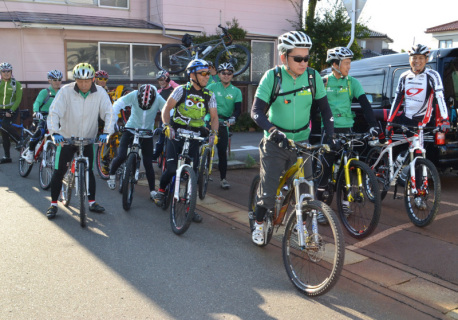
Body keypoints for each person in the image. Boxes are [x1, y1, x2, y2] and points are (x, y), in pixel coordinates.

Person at [250, 31, 335, 245]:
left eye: (306, 58)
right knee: (268, 192)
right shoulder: (273, 77)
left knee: (306, 192)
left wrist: (330, 136)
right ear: (283, 57)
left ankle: (300, 226)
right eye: (298, 58)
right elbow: (256, 111)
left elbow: (325, 110)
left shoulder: (312, 77)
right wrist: (272, 131)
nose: (303, 62)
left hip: (302, 143)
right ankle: (259, 223)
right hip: (276, 142)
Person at [45, 63, 115, 219]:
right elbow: (54, 113)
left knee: (89, 171)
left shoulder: (100, 92)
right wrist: (55, 133)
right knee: (59, 171)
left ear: (92, 79)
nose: (83, 84)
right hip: (66, 138)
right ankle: (54, 204)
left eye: (87, 81)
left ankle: (91, 202)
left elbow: (109, 113)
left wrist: (107, 132)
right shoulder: (65, 91)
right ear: (75, 79)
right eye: (80, 80)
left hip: (88, 139)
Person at [153, 59, 219, 223]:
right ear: (192, 75)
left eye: (208, 73)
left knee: (193, 173)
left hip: (196, 134)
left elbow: (214, 116)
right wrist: (167, 126)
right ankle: (161, 191)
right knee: (171, 168)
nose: (207, 77)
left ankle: (190, 208)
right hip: (176, 132)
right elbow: (167, 108)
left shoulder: (209, 95)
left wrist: (214, 133)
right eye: (203, 73)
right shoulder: (181, 90)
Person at [316, 47, 381, 208]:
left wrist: (373, 125)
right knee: (325, 169)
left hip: (347, 130)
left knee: (348, 167)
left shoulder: (353, 83)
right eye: (346, 63)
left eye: (349, 63)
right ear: (335, 64)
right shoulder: (324, 82)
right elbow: (314, 107)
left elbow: (365, 105)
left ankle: (345, 202)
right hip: (329, 130)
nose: (349, 67)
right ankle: (319, 208)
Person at [107, 84, 166, 200]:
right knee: (121, 155)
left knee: (148, 163)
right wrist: (113, 122)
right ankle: (112, 175)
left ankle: (152, 190)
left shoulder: (158, 98)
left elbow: (169, 111)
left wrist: (165, 125)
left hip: (147, 132)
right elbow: (117, 104)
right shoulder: (134, 94)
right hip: (130, 128)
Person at [386, 44, 450, 135]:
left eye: (421, 58)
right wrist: (389, 122)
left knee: (419, 148)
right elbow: (397, 99)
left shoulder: (432, 75)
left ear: (426, 60)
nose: (417, 61)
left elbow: (440, 97)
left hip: (422, 121)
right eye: (414, 57)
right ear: (409, 59)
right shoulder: (404, 76)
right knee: (375, 116)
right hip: (405, 119)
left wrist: (445, 119)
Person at [207, 62, 242, 189]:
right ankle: (200, 171)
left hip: (224, 122)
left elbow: (238, 110)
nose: (226, 75)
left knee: (222, 152)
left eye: (229, 73)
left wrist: (233, 118)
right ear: (219, 74)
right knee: (203, 146)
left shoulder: (236, 91)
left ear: (232, 75)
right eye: (223, 73)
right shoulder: (211, 87)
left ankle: (223, 179)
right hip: (209, 118)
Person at [23, 69, 63, 163]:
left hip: (58, 117)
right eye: (55, 80)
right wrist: (36, 111)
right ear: (49, 80)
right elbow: (37, 103)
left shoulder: (63, 92)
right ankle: (30, 151)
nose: (57, 82)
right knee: (40, 131)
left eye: (59, 80)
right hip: (44, 116)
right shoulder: (45, 92)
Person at [152, 70, 180, 160]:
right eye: (159, 80)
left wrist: (169, 80)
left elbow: (180, 88)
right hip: (164, 117)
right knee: (161, 138)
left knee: (176, 138)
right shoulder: (159, 92)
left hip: (176, 117)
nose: (161, 82)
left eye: (163, 79)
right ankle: (156, 154)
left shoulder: (174, 89)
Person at [0, 62, 23, 164]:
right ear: (1, 72)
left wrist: (11, 110)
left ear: (11, 72)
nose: (6, 73)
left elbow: (18, 99)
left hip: (12, 110)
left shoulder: (16, 84)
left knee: (5, 124)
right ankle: (7, 157)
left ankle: (20, 140)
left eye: (8, 71)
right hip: (1, 109)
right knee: (4, 133)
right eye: (4, 71)